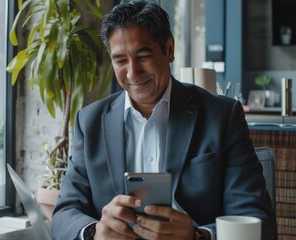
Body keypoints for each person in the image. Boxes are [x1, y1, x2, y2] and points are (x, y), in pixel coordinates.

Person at [51, 1, 277, 239]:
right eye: (120, 61)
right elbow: (65, 213)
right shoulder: (90, 121)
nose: (132, 73)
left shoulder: (222, 116)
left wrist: (198, 235)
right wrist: (95, 232)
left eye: (143, 56)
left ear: (169, 49)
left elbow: (259, 222)